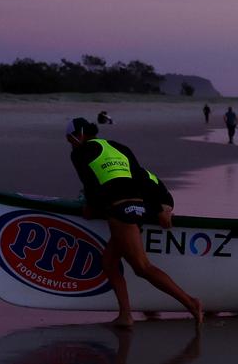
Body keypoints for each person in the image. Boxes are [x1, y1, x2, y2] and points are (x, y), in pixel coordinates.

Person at [65, 117, 201, 327]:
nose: (70, 142)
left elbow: (90, 183)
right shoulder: (118, 147)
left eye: (70, 138)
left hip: (121, 211)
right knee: (109, 263)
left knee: (142, 267)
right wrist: (159, 208)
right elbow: (141, 178)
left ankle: (191, 303)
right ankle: (125, 316)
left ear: (80, 134)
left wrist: (90, 208)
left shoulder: (79, 153)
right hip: (139, 207)